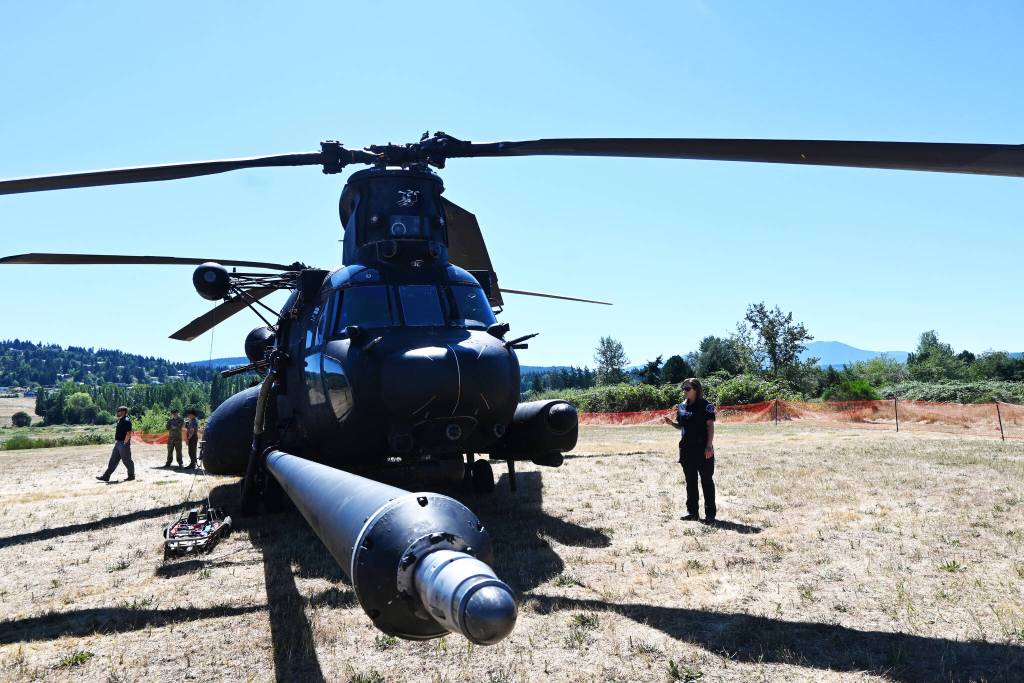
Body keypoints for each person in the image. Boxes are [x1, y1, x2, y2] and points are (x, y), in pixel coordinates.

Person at [663, 378, 716, 522]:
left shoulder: (706, 405)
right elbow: (682, 426)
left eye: (687, 389)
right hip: (686, 449)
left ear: (696, 390)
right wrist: (671, 423)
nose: (684, 391)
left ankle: (710, 515)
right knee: (690, 481)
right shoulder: (681, 406)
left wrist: (709, 446)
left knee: (706, 481)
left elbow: (710, 426)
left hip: (703, 449)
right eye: (683, 389)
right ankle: (692, 513)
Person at [97, 406, 135, 482]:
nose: (117, 412)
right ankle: (106, 476)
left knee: (126, 460)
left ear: (123, 411)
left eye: (119, 411)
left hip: (123, 443)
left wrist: (125, 442)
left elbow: (129, 432)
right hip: (118, 443)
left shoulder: (126, 420)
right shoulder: (121, 420)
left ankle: (131, 476)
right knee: (113, 460)